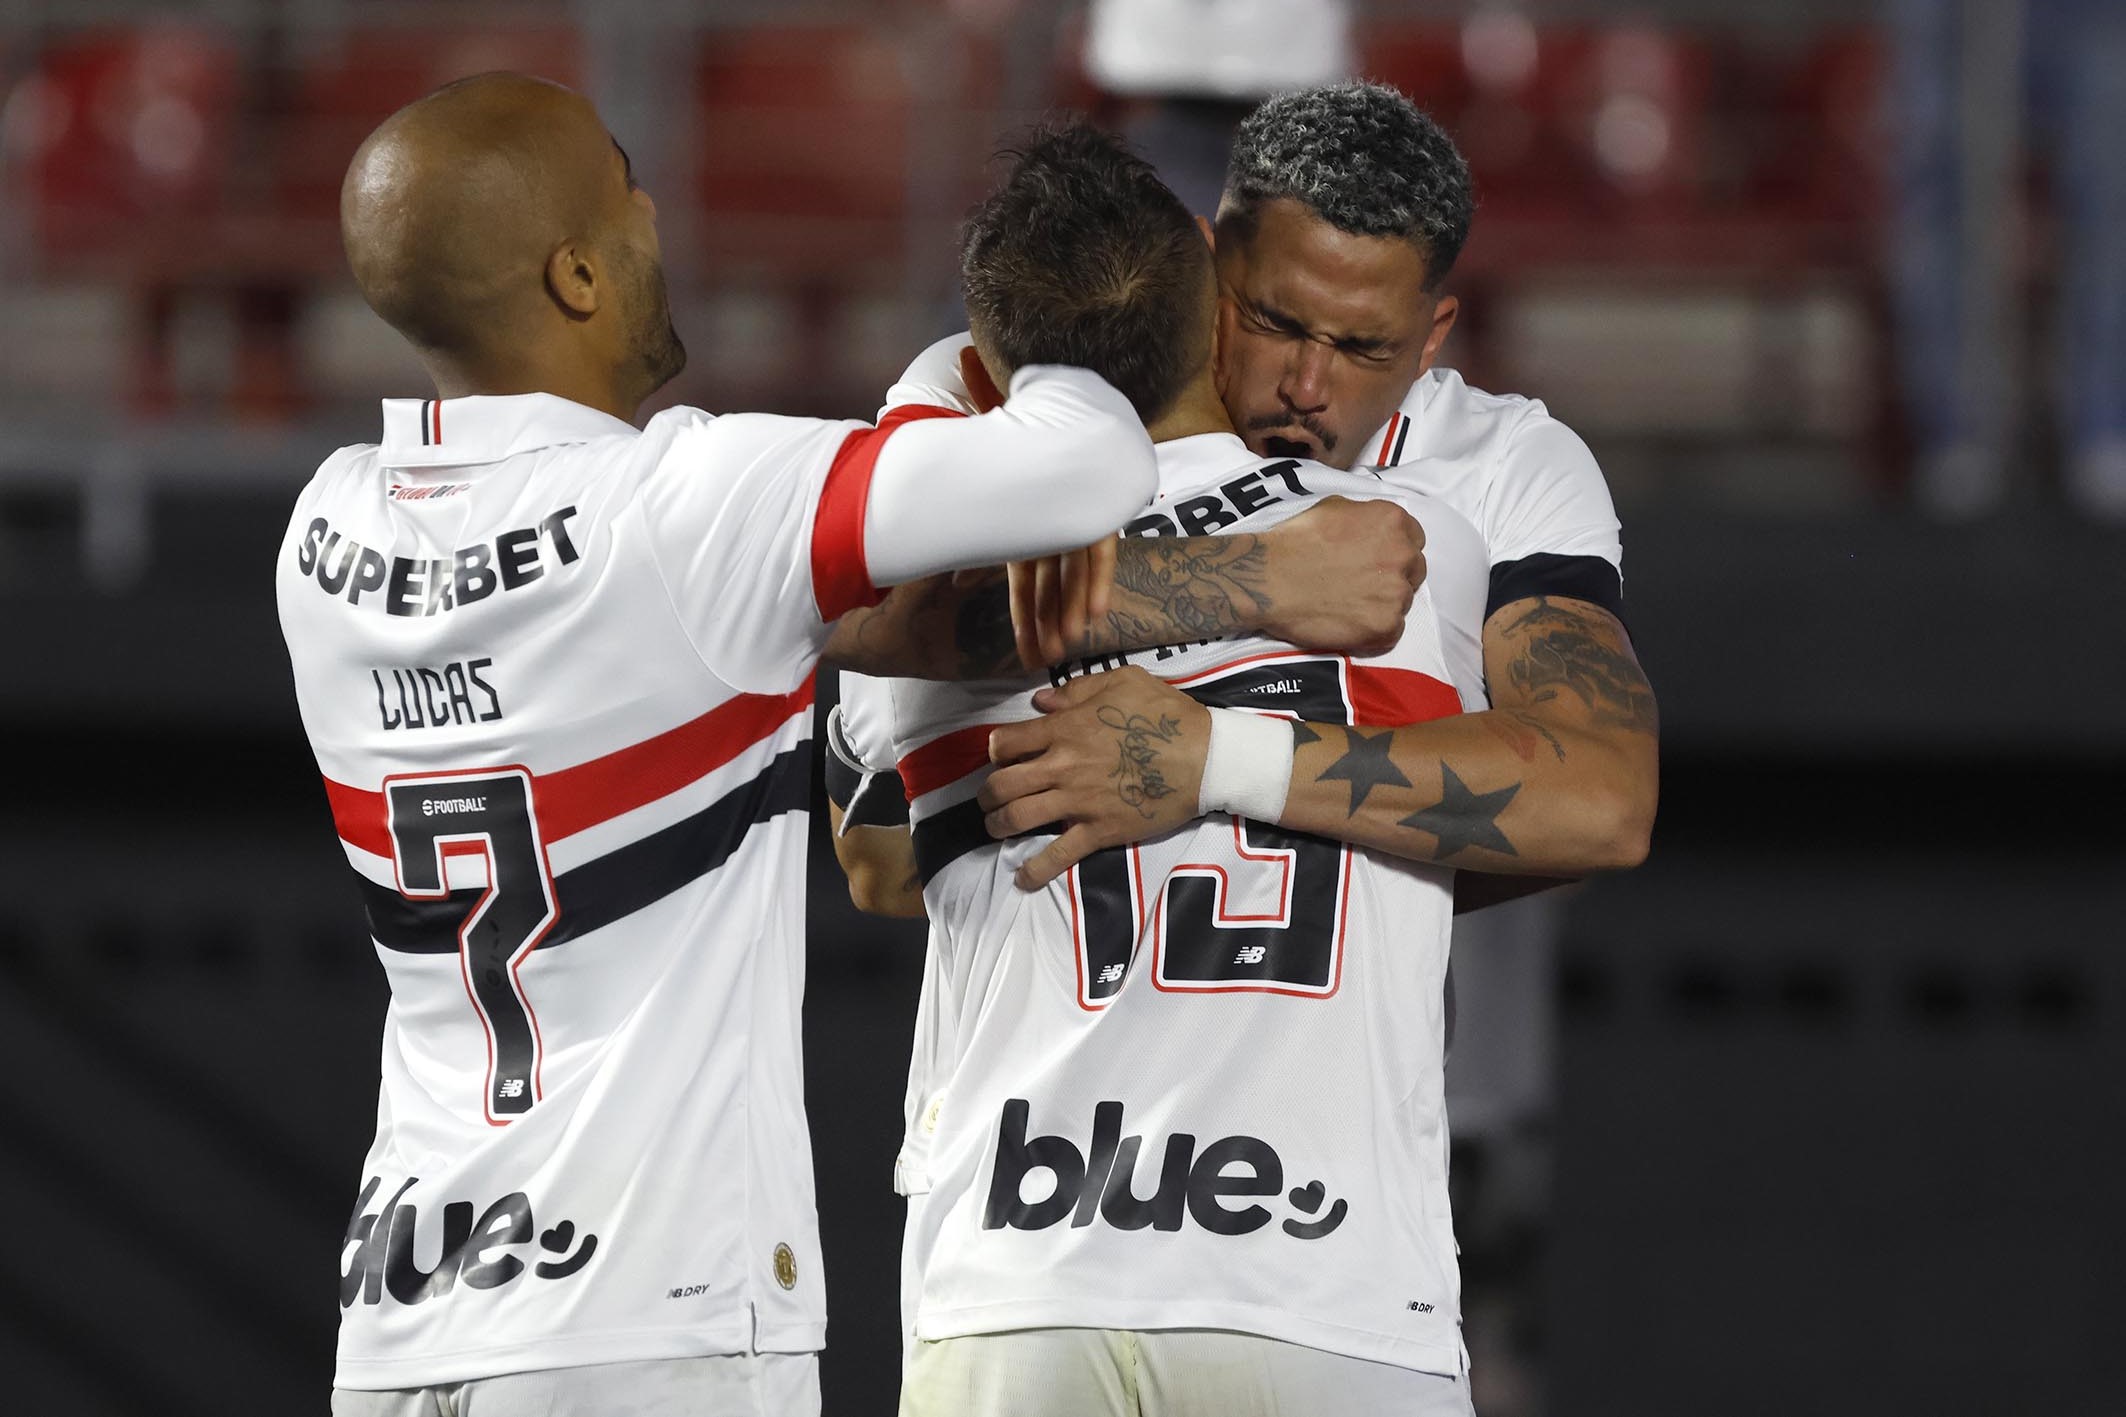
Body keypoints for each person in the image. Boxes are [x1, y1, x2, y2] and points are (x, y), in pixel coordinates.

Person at [280, 72, 1174, 1417]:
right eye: (625, 186)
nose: (655, 213)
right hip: (646, 1319)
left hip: (406, 1320)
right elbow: (1085, 459)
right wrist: (972, 357)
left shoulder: (322, 529)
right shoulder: (685, 503)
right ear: (578, 273)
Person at [864, 119, 1491, 1416]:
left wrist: (956, 421)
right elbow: (1536, 802)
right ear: (1211, 300)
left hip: (1018, 1281)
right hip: (1326, 1285)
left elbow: (873, 865)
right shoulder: (1407, 550)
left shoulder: (931, 605)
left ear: (990, 366)